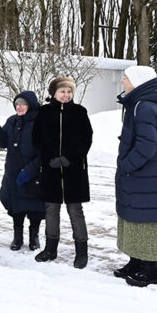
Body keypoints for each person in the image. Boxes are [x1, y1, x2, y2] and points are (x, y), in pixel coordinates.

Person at [114, 65, 157, 287]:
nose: (123, 82)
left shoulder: (144, 107)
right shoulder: (138, 104)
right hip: (140, 176)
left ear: (137, 82)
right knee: (134, 219)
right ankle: (136, 262)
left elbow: (147, 145)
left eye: (126, 78)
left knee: (147, 222)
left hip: (145, 175)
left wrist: (127, 165)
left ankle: (151, 271)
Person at [32, 77, 93, 268]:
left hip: (74, 170)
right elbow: (37, 138)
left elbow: (86, 139)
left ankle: (81, 252)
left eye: (69, 92)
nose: (66, 95)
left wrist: (70, 157)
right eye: (62, 91)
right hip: (50, 168)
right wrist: (50, 158)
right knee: (51, 209)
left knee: (75, 210)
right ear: (54, 93)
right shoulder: (43, 112)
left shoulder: (80, 112)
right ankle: (51, 248)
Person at [0, 91, 45, 252]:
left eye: (23, 104)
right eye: (17, 104)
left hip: (33, 173)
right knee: (15, 204)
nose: (19, 107)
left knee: (34, 206)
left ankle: (34, 236)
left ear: (31, 105)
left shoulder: (40, 122)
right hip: (13, 172)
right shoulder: (12, 121)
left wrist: (30, 171)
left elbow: (44, 151)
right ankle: (18, 236)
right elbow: (2, 142)